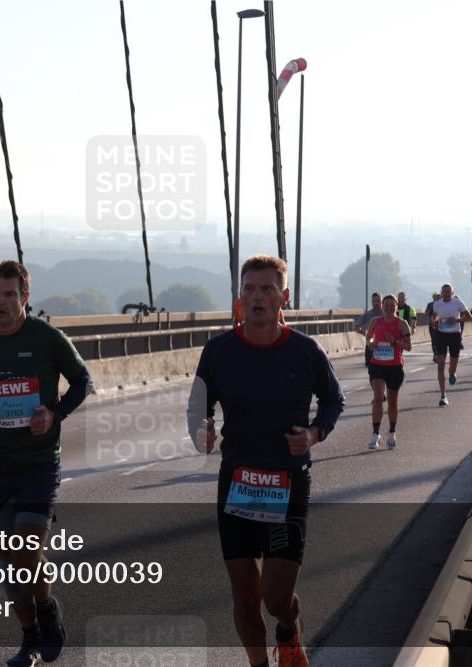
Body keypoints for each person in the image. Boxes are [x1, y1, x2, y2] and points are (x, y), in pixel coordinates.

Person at [188, 254, 345, 667]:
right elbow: (197, 406)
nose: (257, 297)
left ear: (284, 297)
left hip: (288, 483)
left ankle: (289, 629)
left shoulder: (305, 351)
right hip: (237, 481)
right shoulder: (218, 351)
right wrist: (200, 429)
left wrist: (313, 434)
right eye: (249, 289)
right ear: (240, 298)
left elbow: (334, 400)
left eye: (267, 289)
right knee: (244, 594)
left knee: (276, 598)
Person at [0, 260, 93, 667]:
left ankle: (47, 609)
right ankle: (29, 639)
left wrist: (54, 413)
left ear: (25, 298)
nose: (1, 301)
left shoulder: (47, 338)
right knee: (10, 565)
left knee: (27, 551)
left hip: (39, 461)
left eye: (10, 294)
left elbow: (83, 382)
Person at [365, 295, 411, 449]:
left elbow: (408, 346)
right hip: (377, 365)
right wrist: (373, 343)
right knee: (378, 398)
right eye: (387, 305)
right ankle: (375, 434)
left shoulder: (402, 324)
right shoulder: (375, 322)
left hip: (394, 366)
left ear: (397, 307)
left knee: (392, 402)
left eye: (392, 305)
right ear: (382, 306)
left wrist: (395, 341)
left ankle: (391, 432)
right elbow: (368, 341)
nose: (389, 307)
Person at [430, 284, 472, 406]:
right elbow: (434, 315)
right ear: (441, 292)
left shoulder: (457, 303)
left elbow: (469, 317)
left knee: (453, 365)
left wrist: (457, 320)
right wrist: (434, 321)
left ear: (452, 293)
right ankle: (443, 395)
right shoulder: (437, 304)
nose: (446, 293)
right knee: (440, 366)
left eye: (449, 291)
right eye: (444, 291)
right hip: (441, 335)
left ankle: (452, 372)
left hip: (454, 335)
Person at [355, 292, 383, 370]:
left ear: (381, 301)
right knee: (371, 369)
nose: (376, 303)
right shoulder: (368, 314)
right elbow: (356, 327)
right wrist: (363, 332)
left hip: (384, 346)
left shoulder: (386, 313)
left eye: (378, 300)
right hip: (371, 345)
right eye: (374, 301)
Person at [425, 292, 441, 364]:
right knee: (433, 340)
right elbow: (426, 313)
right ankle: (435, 354)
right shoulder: (430, 304)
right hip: (432, 325)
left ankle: (440, 354)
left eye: (438, 297)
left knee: (440, 340)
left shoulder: (442, 304)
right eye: (435, 297)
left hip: (441, 325)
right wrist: (431, 309)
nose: (436, 298)